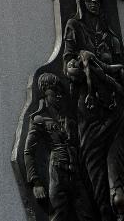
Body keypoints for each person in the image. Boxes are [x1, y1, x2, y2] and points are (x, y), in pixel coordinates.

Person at [63, 0, 124, 221]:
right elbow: (68, 64)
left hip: (115, 113)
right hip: (90, 114)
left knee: (119, 193)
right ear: (80, 0)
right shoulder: (74, 26)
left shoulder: (110, 37)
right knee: (97, 188)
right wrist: (76, 67)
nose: (94, 1)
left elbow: (120, 70)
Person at [24, 73, 78, 221]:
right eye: (54, 92)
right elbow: (29, 152)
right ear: (45, 94)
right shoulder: (40, 119)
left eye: (60, 92)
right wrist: (36, 182)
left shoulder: (67, 117)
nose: (59, 96)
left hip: (76, 174)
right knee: (58, 215)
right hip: (58, 173)